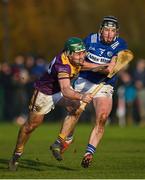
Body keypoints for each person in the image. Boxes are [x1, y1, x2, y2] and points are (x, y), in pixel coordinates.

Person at [8, 37, 106, 171]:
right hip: (44, 94)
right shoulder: (62, 66)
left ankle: (59, 142)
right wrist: (82, 95)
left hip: (58, 91)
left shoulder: (73, 57)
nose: (82, 56)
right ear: (69, 53)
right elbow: (66, 90)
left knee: (77, 107)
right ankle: (17, 153)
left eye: (83, 52)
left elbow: (82, 65)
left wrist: (101, 67)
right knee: (31, 126)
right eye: (78, 53)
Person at [50, 16, 128, 168]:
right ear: (101, 30)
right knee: (75, 110)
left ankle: (89, 153)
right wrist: (97, 67)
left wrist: (110, 67)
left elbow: (113, 65)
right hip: (84, 81)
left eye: (112, 31)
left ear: (116, 32)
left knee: (103, 117)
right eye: (106, 30)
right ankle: (68, 137)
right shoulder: (89, 40)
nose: (109, 34)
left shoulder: (121, 43)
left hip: (104, 85)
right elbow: (78, 62)